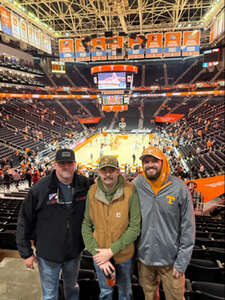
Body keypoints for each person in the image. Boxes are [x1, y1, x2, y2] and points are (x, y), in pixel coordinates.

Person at [16, 148, 90, 300]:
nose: (65, 167)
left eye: (69, 163)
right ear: (55, 165)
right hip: (48, 254)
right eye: (61, 163)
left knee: (72, 288)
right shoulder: (40, 188)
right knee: (50, 294)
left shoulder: (85, 184)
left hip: (74, 252)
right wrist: (26, 253)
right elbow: (24, 219)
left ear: (75, 165)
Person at [133, 146, 195, 300]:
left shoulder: (179, 188)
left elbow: (188, 227)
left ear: (163, 162)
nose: (150, 165)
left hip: (172, 262)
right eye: (146, 161)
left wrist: (182, 262)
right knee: (149, 297)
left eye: (154, 161)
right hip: (145, 260)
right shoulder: (136, 185)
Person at [82, 155, 141, 300]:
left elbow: (135, 227)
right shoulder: (92, 191)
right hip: (100, 255)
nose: (107, 174)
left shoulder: (131, 190)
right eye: (104, 171)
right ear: (99, 172)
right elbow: (85, 225)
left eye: (111, 170)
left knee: (125, 294)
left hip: (124, 255)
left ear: (118, 171)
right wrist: (98, 254)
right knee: (105, 293)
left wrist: (111, 251)